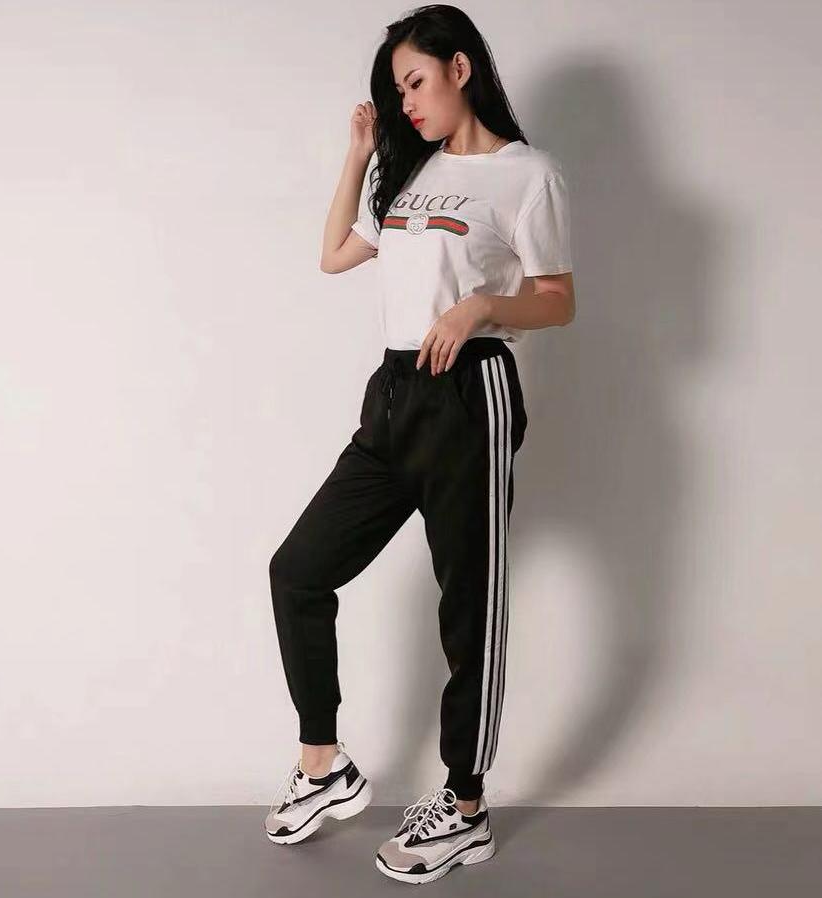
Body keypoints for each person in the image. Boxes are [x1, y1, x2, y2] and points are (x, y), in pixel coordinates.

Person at [264, 4, 575, 883]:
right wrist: (361, 153)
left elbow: (558, 298)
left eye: (415, 82)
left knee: (467, 607)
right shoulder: (409, 172)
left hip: (471, 391)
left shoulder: (528, 176)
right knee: (298, 571)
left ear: (460, 68)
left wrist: (481, 307)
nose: (406, 101)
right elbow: (333, 255)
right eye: (397, 89)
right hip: (393, 396)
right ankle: (324, 767)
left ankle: (465, 809)